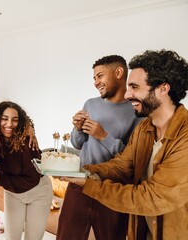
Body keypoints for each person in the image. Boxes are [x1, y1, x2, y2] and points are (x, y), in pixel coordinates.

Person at [65, 49, 188, 239]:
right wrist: (83, 172)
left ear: (163, 89)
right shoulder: (145, 128)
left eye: (135, 87)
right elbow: (123, 165)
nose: (128, 94)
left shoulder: (185, 135)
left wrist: (90, 184)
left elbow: (151, 197)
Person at [56, 55, 141, 240]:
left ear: (119, 73)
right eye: (94, 78)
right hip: (80, 182)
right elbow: (77, 143)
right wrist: (77, 129)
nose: (96, 82)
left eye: (100, 76)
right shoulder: (91, 103)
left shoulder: (136, 109)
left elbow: (133, 156)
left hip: (112, 187)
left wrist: (103, 136)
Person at [0, 101, 53, 240]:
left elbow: (32, 179)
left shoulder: (28, 141)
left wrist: (0, 179)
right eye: (4, 119)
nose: (9, 124)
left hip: (38, 192)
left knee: (33, 238)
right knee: (11, 237)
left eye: (15, 120)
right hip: (12, 193)